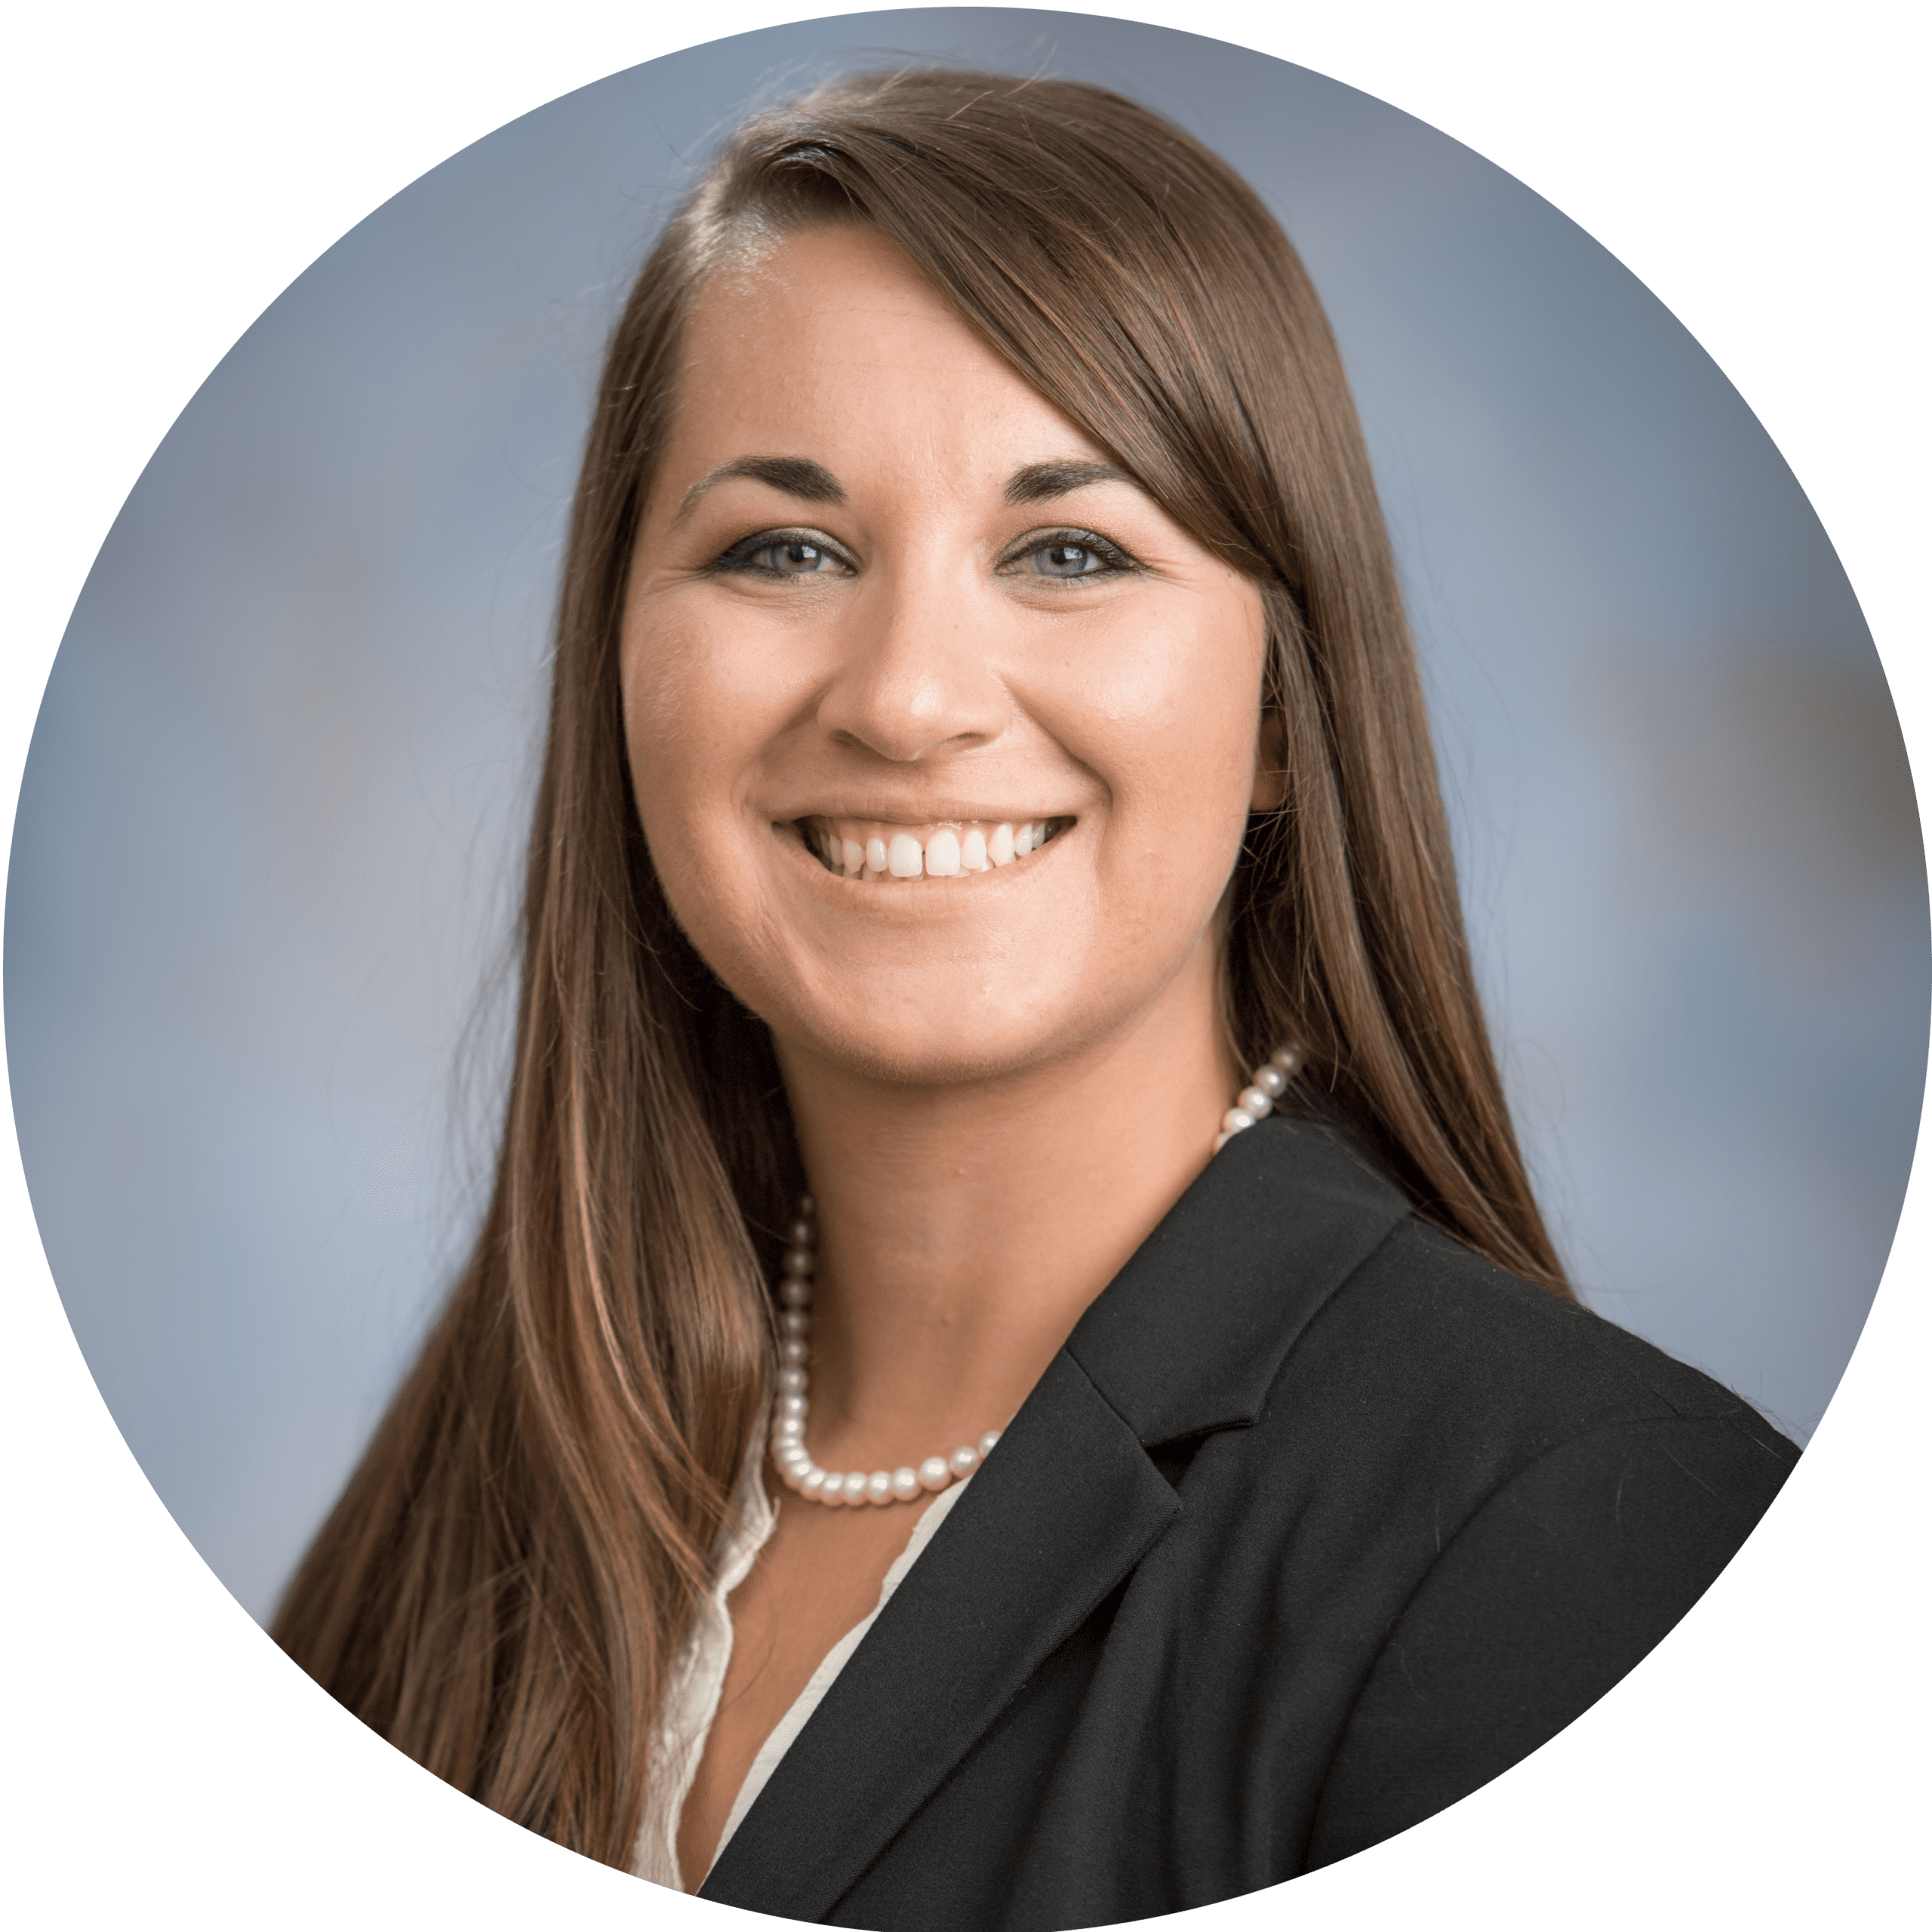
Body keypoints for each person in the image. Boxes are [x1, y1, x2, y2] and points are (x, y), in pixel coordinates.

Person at [273, 69, 1796, 1927]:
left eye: (1069, 549)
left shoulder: (1579, 1533)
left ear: (1276, 718)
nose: (907, 696)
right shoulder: (475, 1487)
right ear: (618, 655)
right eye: (783, 547)